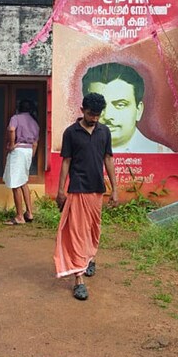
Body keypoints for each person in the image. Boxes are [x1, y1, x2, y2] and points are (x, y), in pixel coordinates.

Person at [54, 92, 118, 301]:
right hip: (78, 189)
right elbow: (66, 162)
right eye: (91, 114)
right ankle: (79, 280)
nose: (94, 118)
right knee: (77, 233)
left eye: (98, 115)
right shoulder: (70, 133)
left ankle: (90, 257)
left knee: (93, 229)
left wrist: (114, 189)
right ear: (82, 110)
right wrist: (61, 191)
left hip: (97, 190)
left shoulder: (104, 132)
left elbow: (108, 159)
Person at [81, 62, 172, 154]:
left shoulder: (162, 154)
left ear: (139, 110)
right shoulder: (73, 153)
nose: (108, 116)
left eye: (120, 105)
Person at [2, 99, 39, 225]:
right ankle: (29, 213)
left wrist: (12, 145)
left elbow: (12, 129)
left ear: (19, 108)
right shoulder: (34, 122)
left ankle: (19, 216)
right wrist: (30, 157)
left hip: (18, 151)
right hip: (28, 151)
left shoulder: (15, 118)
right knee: (23, 181)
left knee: (15, 183)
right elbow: (35, 143)